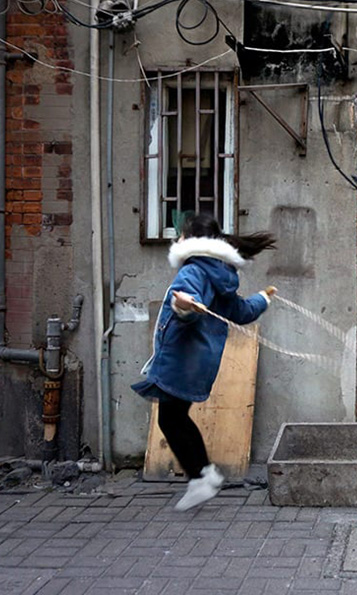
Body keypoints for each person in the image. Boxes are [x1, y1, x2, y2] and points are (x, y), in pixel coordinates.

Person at [131, 213, 277, 511]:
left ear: (192, 240)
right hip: (199, 363)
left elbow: (189, 305)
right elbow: (241, 312)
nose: (178, 238)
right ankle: (203, 475)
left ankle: (202, 477)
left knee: (170, 419)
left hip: (181, 359)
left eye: (183, 234)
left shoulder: (194, 270)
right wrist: (262, 298)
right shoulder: (220, 274)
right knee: (176, 417)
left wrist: (183, 306)